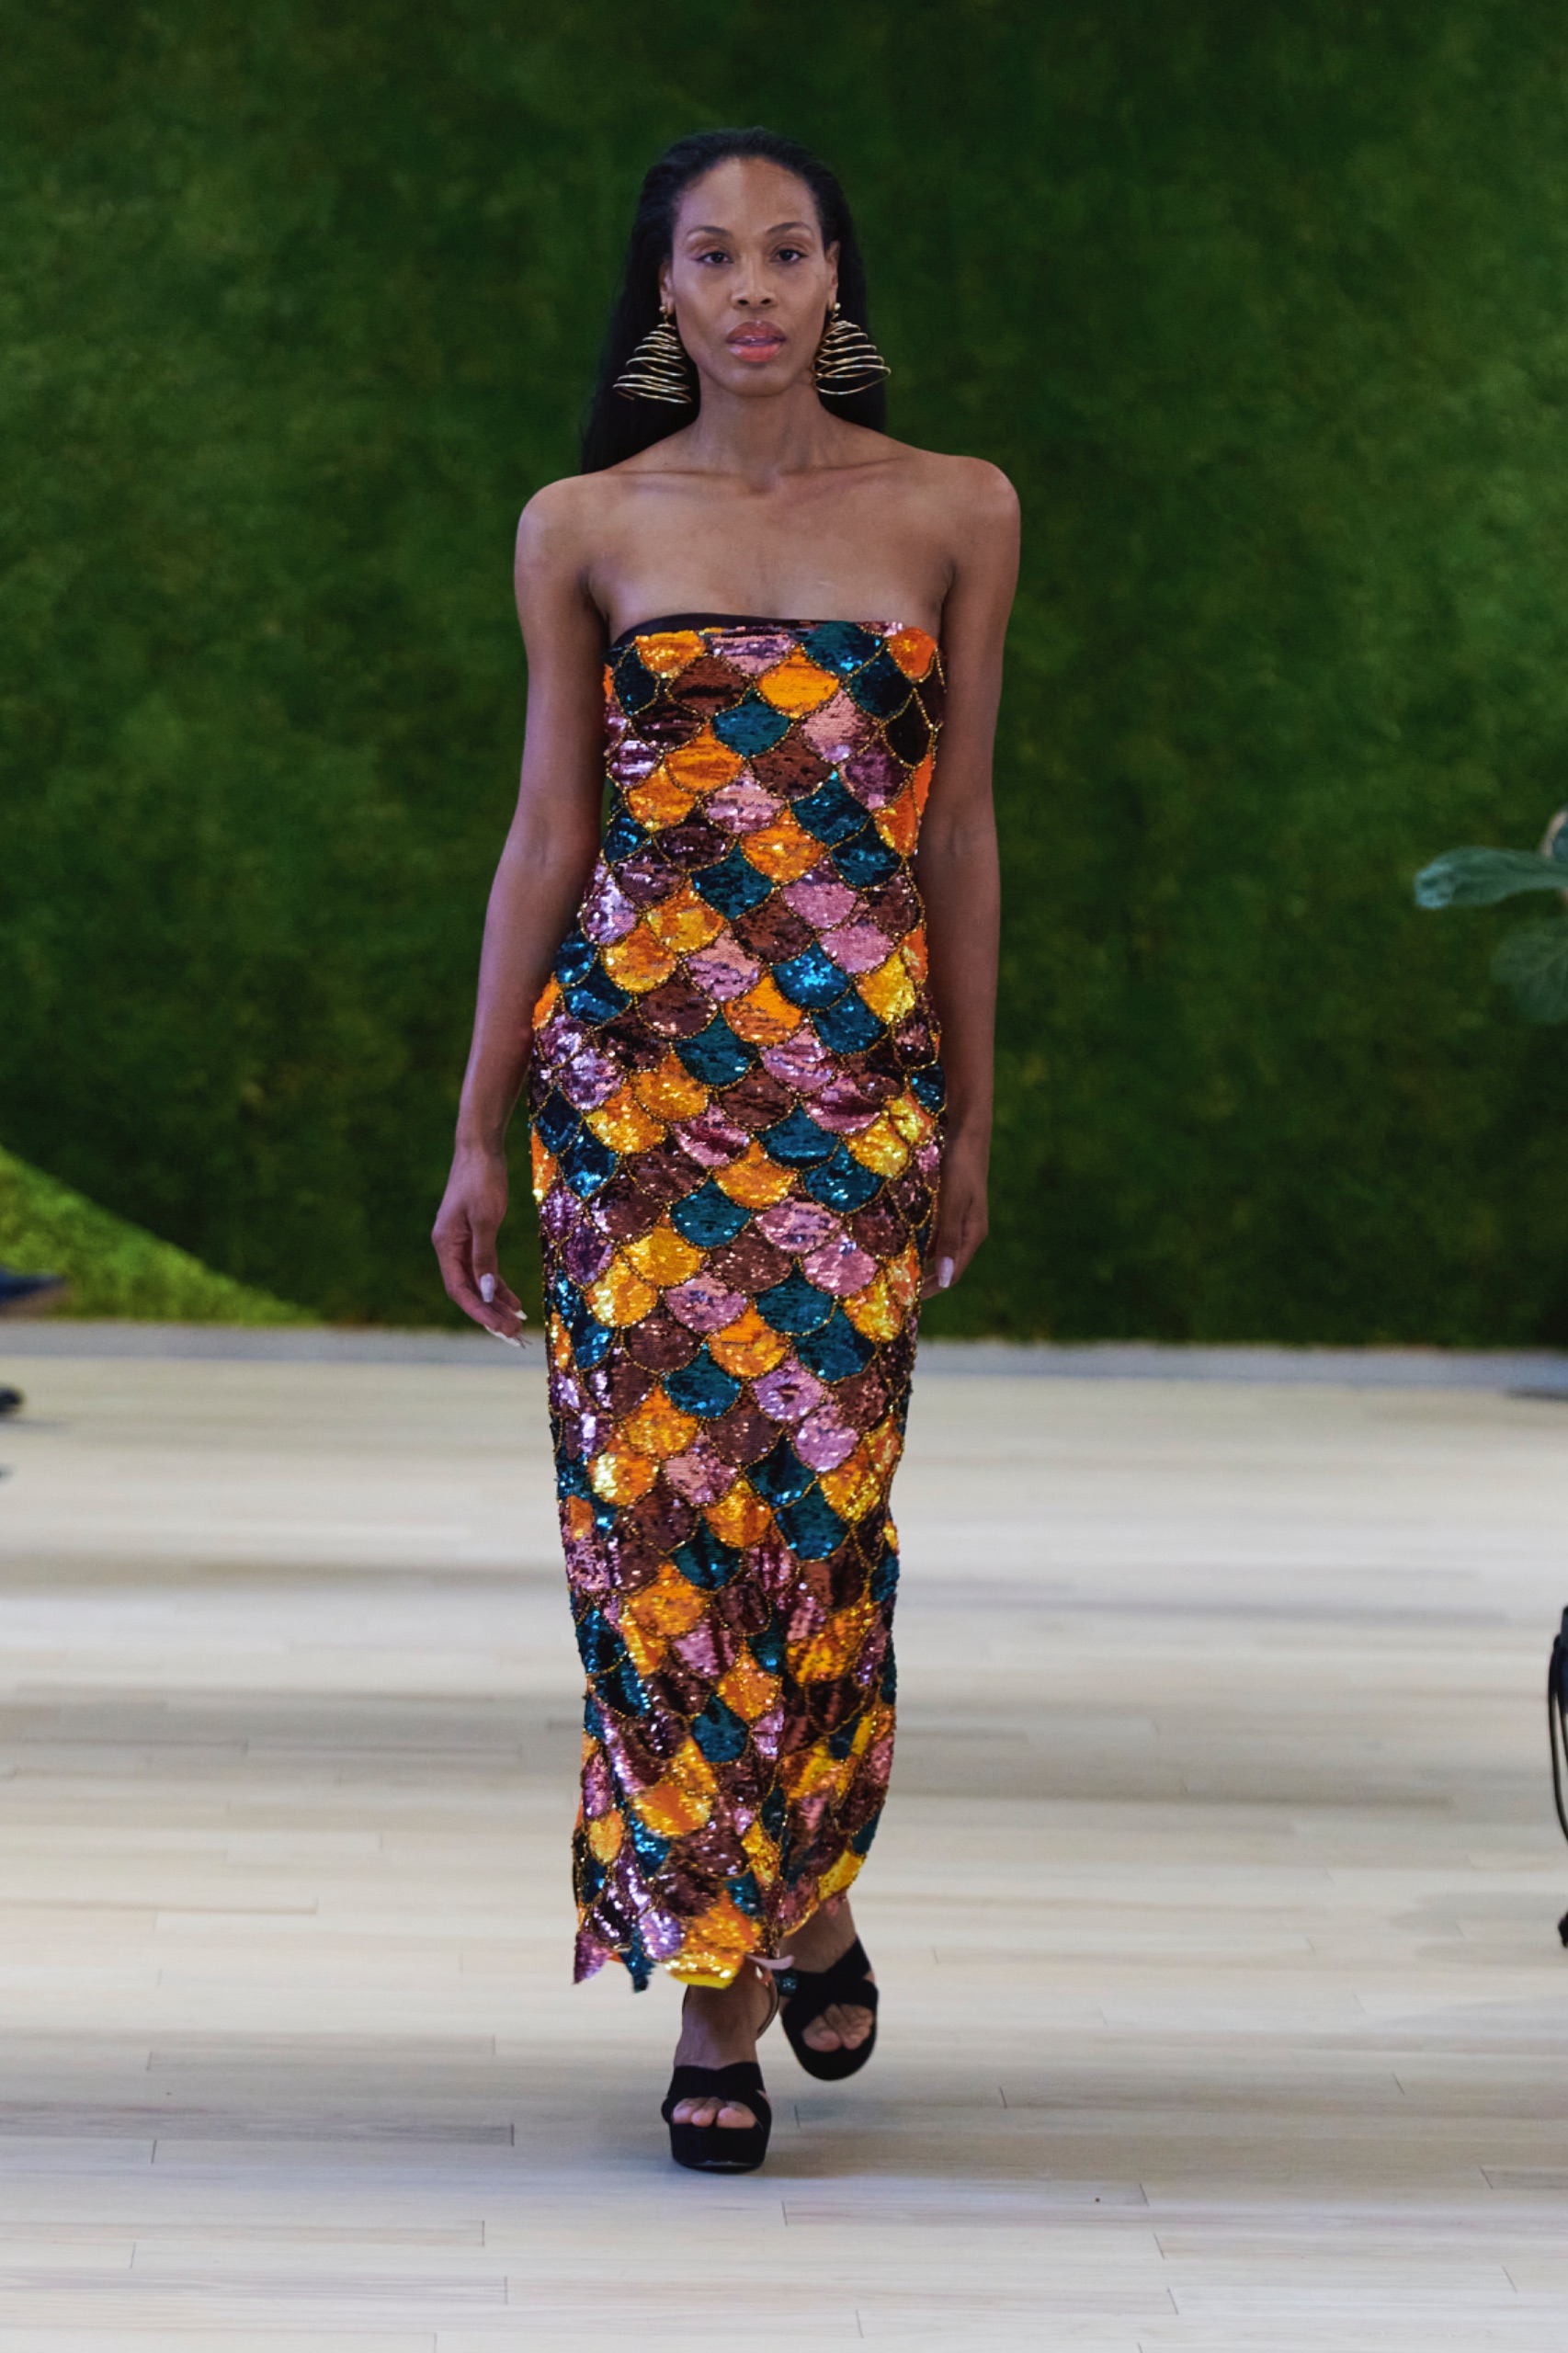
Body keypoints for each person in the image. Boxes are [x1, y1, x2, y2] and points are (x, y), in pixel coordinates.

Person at [433, 126, 1017, 2173]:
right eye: (713, 255)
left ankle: (810, 1878)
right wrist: (481, 1124)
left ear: (833, 281)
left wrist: (966, 1094)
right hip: (634, 1106)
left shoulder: (954, 512)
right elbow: (545, 834)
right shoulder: (580, 523)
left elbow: (957, 829)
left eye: (788, 251)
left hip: (851, 1101)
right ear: (663, 295)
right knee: (656, 1536)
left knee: (821, 1517)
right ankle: (718, 1984)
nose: (753, 286)